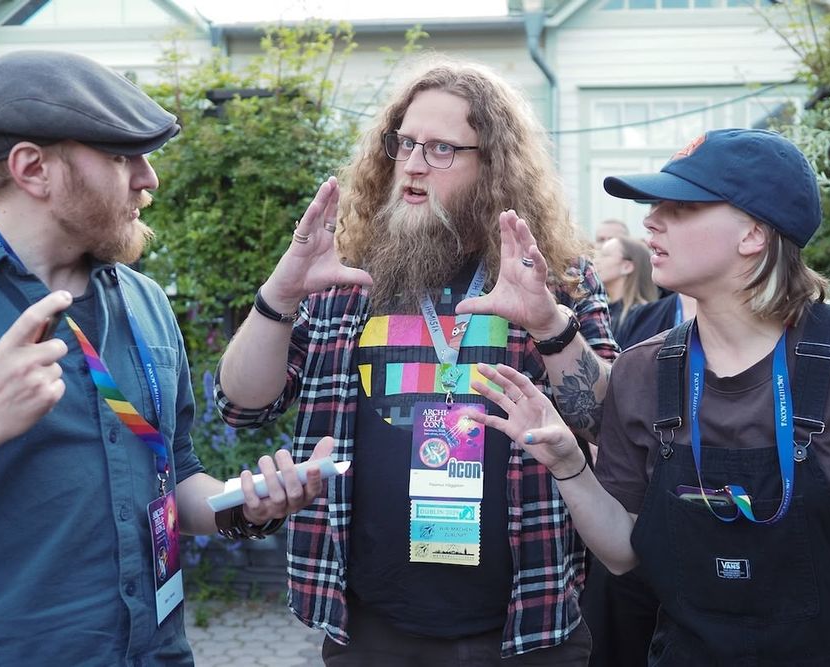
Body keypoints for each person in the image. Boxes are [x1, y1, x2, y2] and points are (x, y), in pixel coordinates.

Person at [0, 50, 328, 666]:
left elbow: (174, 475)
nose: (149, 178)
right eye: (121, 156)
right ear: (33, 168)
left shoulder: (142, 300)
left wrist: (241, 508)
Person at [464, 128, 830, 665]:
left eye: (680, 207)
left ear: (753, 234)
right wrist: (569, 464)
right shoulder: (645, 370)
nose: (651, 221)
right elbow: (622, 555)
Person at [214, 59, 619, 664]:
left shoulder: (550, 273)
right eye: (404, 142)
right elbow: (242, 405)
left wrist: (547, 323)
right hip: (371, 623)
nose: (413, 162)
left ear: (494, 167)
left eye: (441, 148)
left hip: (526, 621)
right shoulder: (344, 272)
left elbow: (605, 422)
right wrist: (279, 294)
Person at [594, 235, 658, 346]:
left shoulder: (644, 316)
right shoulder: (600, 309)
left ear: (627, 267)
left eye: (604, 255)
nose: (595, 261)